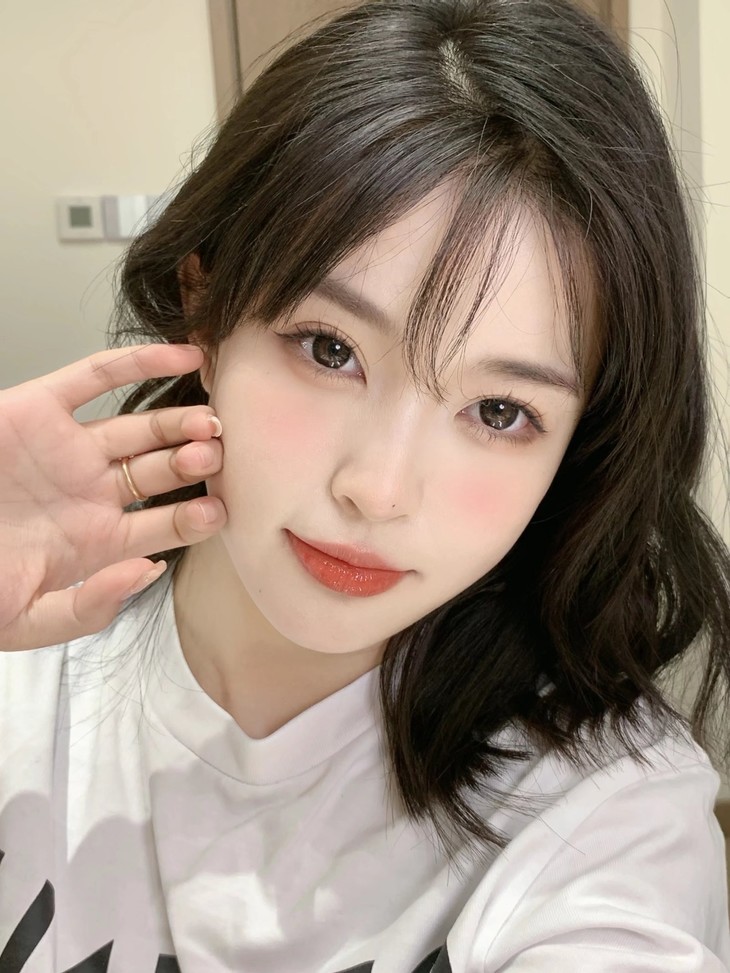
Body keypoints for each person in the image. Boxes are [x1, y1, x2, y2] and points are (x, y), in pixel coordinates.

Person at [1, 0, 729, 969]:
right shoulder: (26, 663)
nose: (378, 490)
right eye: (329, 349)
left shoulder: (607, 821)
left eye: (500, 410)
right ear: (205, 307)